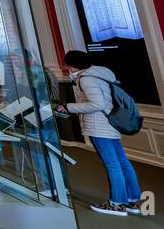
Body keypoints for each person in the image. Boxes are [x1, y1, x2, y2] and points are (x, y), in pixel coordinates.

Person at [55, 50, 143, 216]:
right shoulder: (101, 74)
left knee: (112, 163)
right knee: (122, 161)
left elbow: (97, 104)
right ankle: (132, 200)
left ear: (72, 66)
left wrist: (69, 107)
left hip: (99, 126)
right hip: (111, 123)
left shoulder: (86, 79)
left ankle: (117, 203)